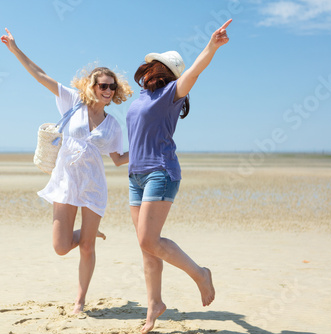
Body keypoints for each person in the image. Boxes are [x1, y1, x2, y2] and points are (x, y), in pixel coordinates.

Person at [1, 28, 132, 313]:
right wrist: (15, 49)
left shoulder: (113, 126)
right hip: (65, 182)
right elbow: (40, 75)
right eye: (102, 85)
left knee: (86, 249)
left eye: (112, 87)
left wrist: (149, 150)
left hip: (94, 185)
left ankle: (80, 301)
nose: (107, 90)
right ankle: (88, 232)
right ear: (92, 86)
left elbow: (119, 159)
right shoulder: (72, 101)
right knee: (61, 247)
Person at [126, 19, 232, 333]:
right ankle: (154, 305)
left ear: (160, 72)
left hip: (161, 171)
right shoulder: (140, 99)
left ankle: (200, 273)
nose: (144, 71)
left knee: (148, 238)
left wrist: (211, 46)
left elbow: (194, 72)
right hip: (136, 176)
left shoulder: (173, 92)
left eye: (150, 67)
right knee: (146, 245)